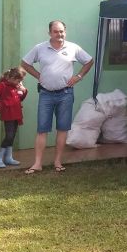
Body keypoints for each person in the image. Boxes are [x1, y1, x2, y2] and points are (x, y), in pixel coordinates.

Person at [21, 20, 93, 174]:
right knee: (42, 129)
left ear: (65, 32)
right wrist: (38, 75)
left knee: (62, 128)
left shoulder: (73, 48)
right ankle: (37, 164)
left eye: (61, 31)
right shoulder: (40, 48)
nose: (59, 34)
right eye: (56, 31)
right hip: (46, 94)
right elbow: (25, 63)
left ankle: (58, 162)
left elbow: (89, 61)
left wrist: (79, 76)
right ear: (49, 33)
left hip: (66, 94)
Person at [0, 66, 28, 169]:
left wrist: (24, 91)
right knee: (9, 136)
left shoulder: (16, 86)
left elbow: (21, 98)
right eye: (18, 81)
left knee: (12, 137)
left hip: (17, 114)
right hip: (8, 114)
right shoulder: (3, 85)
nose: (19, 83)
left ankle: (8, 158)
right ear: (11, 78)